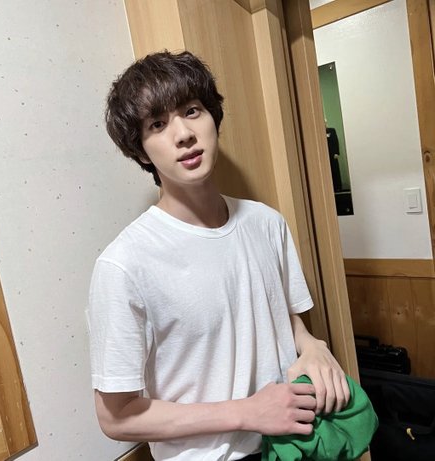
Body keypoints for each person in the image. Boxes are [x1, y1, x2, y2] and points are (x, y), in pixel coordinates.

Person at [88, 50, 350, 461]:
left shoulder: (266, 223)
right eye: (157, 124)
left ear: (213, 118)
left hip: (296, 444)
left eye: (192, 111)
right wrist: (246, 412)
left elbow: (281, 317)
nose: (183, 134)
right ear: (140, 151)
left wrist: (312, 345)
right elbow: (115, 418)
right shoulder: (125, 264)